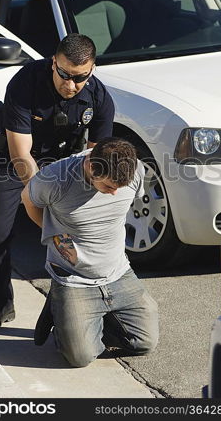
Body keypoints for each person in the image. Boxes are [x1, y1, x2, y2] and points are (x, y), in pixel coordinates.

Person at [0, 33, 115, 332]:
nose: (71, 84)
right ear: (54, 63)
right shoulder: (26, 83)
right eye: (64, 74)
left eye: (80, 77)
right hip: (10, 162)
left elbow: (95, 158)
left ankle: (64, 309)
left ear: (92, 69)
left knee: (73, 237)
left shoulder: (99, 97)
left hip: (64, 163)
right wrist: (44, 200)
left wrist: (79, 206)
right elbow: (19, 152)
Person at [21, 137, 159, 367]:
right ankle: (65, 314)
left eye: (119, 188)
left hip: (118, 272)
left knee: (144, 343)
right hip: (73, 276)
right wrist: (53, 233)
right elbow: (27, 198)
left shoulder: (135, 170)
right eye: (108, 187)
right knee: (80, 357)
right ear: (90, 166)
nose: (114, 193)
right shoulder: (55, 179)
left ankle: (79, 321)